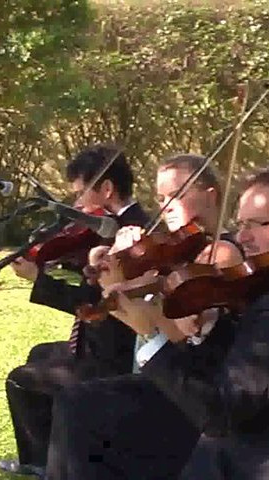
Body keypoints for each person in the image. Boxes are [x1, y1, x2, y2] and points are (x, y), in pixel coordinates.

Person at [110, 164, 269, 479]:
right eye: (241, 224)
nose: (242, 237)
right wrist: (210, 327)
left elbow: (220, 413)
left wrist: (150, 335)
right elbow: (259, 369)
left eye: (257, 224)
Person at [45, 153, 243, 480]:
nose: (166, 207)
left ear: (212, 196)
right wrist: (114, 277)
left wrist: (125, 287)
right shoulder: (174, 252)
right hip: (167, 381)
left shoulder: (222, 254)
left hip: (197, 395)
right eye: (162, 198)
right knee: (73, 402)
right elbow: (145, 319)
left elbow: (182, 333)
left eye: (177, 195)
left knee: (81, 408)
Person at [0, 143, 149, 477]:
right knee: (39, 353)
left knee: (19, 380)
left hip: (113, 356)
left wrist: (39, 279)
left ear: (107, 189)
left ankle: (44, 464)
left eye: (80, 195)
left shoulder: (131, 236)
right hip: (100, 341)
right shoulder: (108, 228)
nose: (76, 206)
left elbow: (93, 306)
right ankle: (57, 451)